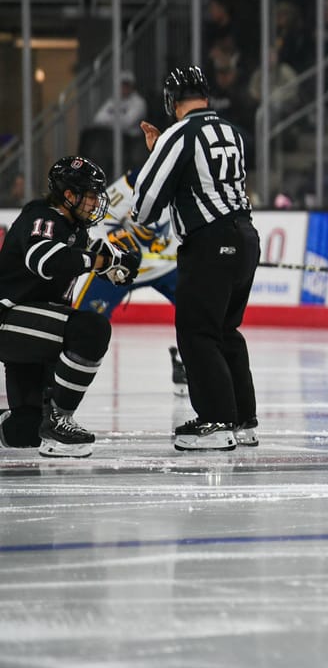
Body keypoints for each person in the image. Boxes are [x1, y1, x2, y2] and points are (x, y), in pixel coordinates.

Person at [132, 66, 260, 451]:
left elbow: (145, 205)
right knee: (225, 330)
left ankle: (216, 421)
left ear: (171, 102)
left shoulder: (178, 134)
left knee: (197, 333)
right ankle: (243, 421)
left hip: (209, 242)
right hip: (246, 237)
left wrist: (156, 154)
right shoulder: (233, 133)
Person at [0, 157, 140, 457]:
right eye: (89, 195)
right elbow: (50, 262)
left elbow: (83, 253)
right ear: (68, 194)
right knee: (91, 329)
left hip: (29, 329)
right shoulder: (43, 217)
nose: (94, 202)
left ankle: (46, 423)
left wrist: (115, 260)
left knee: (26, 431)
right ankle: (60, 419)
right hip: (9, 319)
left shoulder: (71, 227)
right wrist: (103, 261)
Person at [73, 169, 191, 421]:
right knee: (81, 320)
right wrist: (109, 249)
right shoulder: (134, 181)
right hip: (123, 266)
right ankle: (55, 377)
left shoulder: (189, 182)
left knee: (199, 312)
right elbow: (98, 219)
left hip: (168, 266)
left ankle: (185, 360)